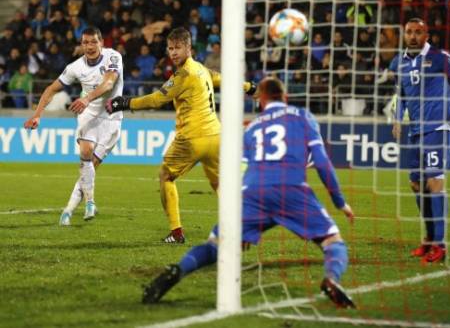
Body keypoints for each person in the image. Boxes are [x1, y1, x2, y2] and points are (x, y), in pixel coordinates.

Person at [141, 78, 356, 308]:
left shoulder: (252, 127)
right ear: (285, 98)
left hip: (253, 193)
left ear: (261, 101)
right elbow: (322, 163)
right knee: (332, 241)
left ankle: (178, 269)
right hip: (292, 191)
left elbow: (239, 170)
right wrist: (340, 202)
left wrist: (239, 219)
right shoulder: (303, 117)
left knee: (215, 244)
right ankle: (331, 279)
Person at [106, 27, 257, 243]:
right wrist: (249, 86)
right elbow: (223, 79)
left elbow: (157, 99)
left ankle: (176, 232)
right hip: (216, 136)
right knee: (220, 184)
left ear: (189, 48)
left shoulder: (183, 75)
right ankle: (241, 226)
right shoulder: (202, 70)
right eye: (170, 48)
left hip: (192, 138)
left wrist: (125, 103)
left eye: (178, 48)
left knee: (166, 177)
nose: (173, 53)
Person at [23, 27, 124, 226]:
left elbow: (108, 85)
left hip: (112, 117)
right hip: (89, 114)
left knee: (92, 166)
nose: (90, 46)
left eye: (94, 42)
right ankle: (87, 203)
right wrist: (37, 115)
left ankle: (70, 208)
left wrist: (86, 98)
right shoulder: (75, 67)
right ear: (81, 45)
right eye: (85, 42)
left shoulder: (113, 57)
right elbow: (51, 89)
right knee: (85, 152)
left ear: (101, 42)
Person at [390, 18, 450, 263]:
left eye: (418, 32)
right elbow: (401, 92)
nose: (413, 36)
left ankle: (440, 244)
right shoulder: (398, 62)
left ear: (426, 35)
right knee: (417, 185)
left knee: (435, 183)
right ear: (404, 35)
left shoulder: (439, 57)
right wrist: (396, 118)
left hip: (436, 127)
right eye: (409, 32)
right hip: (414, 131)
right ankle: (428, 238)